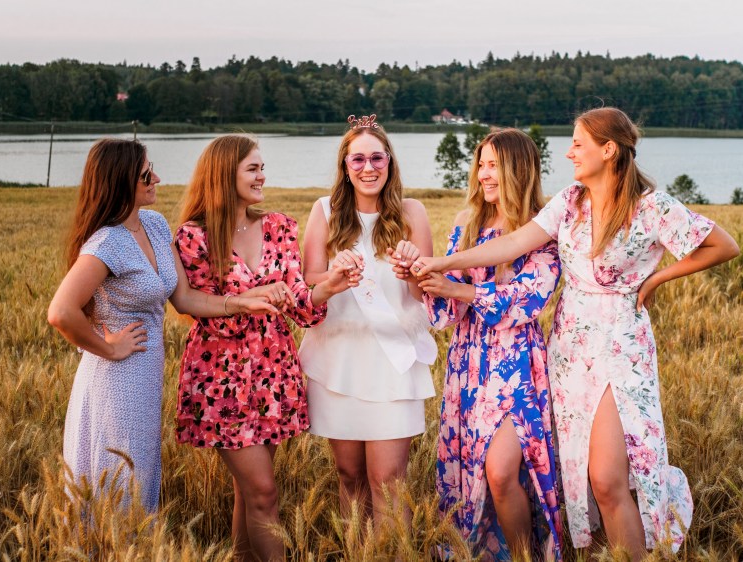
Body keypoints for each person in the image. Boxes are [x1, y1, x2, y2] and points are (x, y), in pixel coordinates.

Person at [413, 107, 740, 559]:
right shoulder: (570, 202)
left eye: (578, 144)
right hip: (569, 347)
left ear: (608, 150)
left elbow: (724, 245)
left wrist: (658, 278)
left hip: (621, 345)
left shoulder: (652, 207)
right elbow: (513, 242)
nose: (569, 153)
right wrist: (444, 264)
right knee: (585, 476)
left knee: (607, 478)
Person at [48, 138, 276, 513]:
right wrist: (109, 348)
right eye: (145, 175)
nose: (156, 178)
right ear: (120, 181)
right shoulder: (107, 243)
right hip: (115, 379)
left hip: (147, 376)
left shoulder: (153, 225)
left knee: (138, 478)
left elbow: (183, 298)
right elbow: (61, 311)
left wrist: (241, 302)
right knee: (117, 482)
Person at [174, 134, 355, 562]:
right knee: (263, 491)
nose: (262, 176)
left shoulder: (279, 227)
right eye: (252, 169)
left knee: (249, 492)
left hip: (273, 370)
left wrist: (328, 287)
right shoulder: (193, 238)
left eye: (262, 168)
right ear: (225, 174)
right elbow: (191, 304)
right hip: (221, 376)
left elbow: (300, 304)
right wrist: (246, 300)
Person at [418, 128, 563, 560]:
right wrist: (420, 277)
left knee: (500, 472)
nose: (483, 174)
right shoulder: (467, 223)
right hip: (469, 361)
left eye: (494, 165)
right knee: (475, 472)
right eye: (480, 164)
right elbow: (446, 308)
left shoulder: (542, 227)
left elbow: (528, 299)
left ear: (518, 170)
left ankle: (524, 556)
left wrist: (459, 289)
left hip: (516, 362)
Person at [298, 114, 437, 527]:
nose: (368, 168)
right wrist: (333, 276)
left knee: (388, 481)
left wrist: (413, 272)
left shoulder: (412, 212)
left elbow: (426, 295)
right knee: (349, 475)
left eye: (377, 158)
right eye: (357, 159)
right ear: (345, 166)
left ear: (389, 161)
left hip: (394, 364)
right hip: (338, 361)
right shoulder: (325, 211)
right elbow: (308, 281)